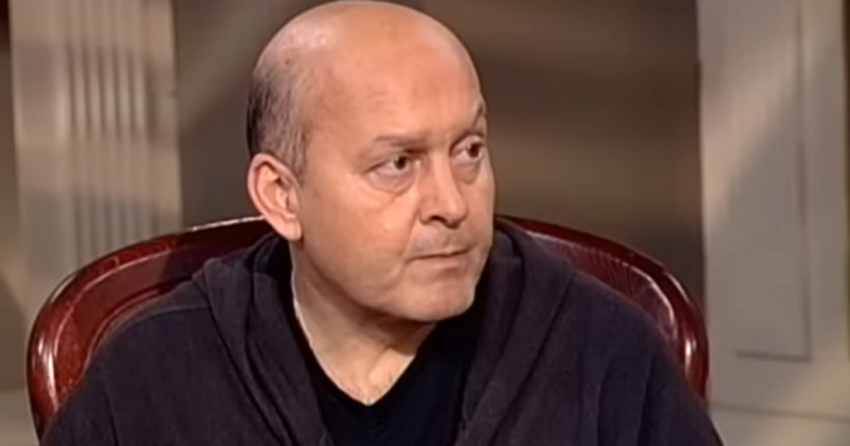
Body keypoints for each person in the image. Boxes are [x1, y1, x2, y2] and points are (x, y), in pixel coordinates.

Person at [42, 1, 722, 445]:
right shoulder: (158, 374)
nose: (452, 203)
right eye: (398, 164)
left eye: (469, 151)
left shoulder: (597, 349)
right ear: (281, 196)